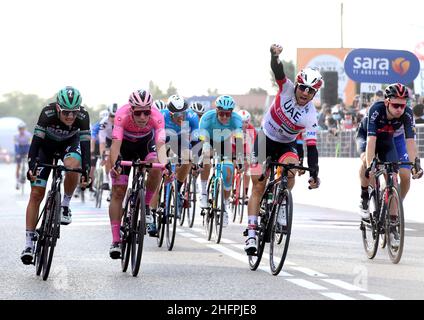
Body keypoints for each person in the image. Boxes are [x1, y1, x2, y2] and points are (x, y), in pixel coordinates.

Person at [244, 44, 321, 255]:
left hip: (286, 144)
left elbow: (312, 147)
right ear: (297, 85)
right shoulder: (286, 88)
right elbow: (277, 71)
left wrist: (314, 172)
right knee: (258, 186)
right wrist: (274, 56)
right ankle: (251, 233)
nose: (305, 92)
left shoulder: (311, 115)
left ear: (314, 93)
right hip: (264, 139)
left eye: (311, 90)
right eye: (303, 87)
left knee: (292, 169)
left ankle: (281, 205)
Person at [21, 86, 91, 265]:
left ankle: (65, 205)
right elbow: (35, 144)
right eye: (66, 112)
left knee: (73, 166)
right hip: (45, 148)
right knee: (37, 193)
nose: (70, 117)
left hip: (69, 145)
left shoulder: (83, 117)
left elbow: (85, 147)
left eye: (74, 112)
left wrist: (86, 171)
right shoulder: (47, 113)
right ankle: (29, 243)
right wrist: (31, 166)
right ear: (58, 108)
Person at [107, 89, 168, 259]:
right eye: (138, 112)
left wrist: (166, 165)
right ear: (131, 109)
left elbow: (160, 144)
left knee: (156, 167)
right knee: (118, 191)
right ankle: (116, 241)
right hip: (124, 147)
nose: (142, 117)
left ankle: (146, 205)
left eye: (146, 112)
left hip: (145, 145)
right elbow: (115, 146)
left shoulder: (157, 116)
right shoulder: (121, 115)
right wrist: (116, 164)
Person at [357, 83, 423, 226]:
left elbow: (410, 142)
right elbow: (371, 140)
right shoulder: (376, 110)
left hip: (391, 139)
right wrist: (370, 165)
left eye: (402, 105)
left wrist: (416, 164)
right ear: (387, 102)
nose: (399, 109)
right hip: (369, 136)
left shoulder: (407, 114)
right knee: (366, 162)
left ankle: (395, 205)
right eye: (395, 105)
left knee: (401, 175)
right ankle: (364, 198)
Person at [151, 95, 200, 222]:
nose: (181, 117)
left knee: (189, 157)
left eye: (183, 113)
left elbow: (196, 141)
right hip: (163, 140)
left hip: (180, 140)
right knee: (156, 171)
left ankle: (177, 187)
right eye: (177, 115)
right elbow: (153, 138)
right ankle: (151, 213)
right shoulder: (161, 115)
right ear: (170, 114)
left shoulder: (192, 117)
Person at [198, 95, 244, 227]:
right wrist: (202, 156)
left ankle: (224, 205)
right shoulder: (207, 118)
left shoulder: (236, 119)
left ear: (232, 113)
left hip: (224, 142)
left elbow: (239, 141)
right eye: (221, 114)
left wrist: (239, 158)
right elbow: (203, 141)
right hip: (209, 141)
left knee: (229, 171)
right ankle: (203, 193)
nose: (224, 117)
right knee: (206, 156)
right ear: (217, 111)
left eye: (227, 114)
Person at [98, 104, 117, 197]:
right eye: (111, 116)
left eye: (115, 116)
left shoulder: (123, 121)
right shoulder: (104, 122)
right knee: (108, 156)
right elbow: (102, 141)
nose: (113, 119)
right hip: (109, 140)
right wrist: (102, 155)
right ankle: (106, 178)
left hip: (119, 140)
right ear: (108, 115)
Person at [14, 122, 32, 190]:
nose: (21, 130)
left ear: (24, 129)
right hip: (19, 148)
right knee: (18, 165)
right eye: (20, 129)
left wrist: (29, 153)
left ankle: (28, 175)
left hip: (26, 148)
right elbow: (16, 145)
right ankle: (17, 182)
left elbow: (30, 144)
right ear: (18, 129)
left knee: (29, 162)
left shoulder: (28, 135)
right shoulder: (16, 135)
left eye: (22, 129)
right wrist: (17, 153)